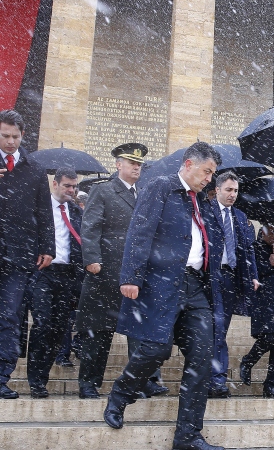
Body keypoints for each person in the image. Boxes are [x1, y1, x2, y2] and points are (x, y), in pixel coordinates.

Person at [104, 142, 225, 450]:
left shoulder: (203, 200)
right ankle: (121, 394)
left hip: (195, 286)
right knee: (156, 349)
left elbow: (211, 241)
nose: (209, 179)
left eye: (212, 174)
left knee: (201, 357)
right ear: (189, 164)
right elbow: (140, 231)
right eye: (206, 171)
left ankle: (188, 436)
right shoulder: (161, 186)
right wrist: (131, 276)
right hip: (161, 282)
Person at [76, 143, 166, 399]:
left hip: (136, 275)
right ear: (118, 165)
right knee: (98, 332)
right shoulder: (103, 190)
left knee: (139, 331)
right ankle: (89, 383)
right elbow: (90, 226)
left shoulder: (144, 194)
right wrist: (92, 259)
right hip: (106, 272)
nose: (137, 168)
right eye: (132, 163)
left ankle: (142, 382)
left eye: (139, 164)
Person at [0, 109, 54, 399]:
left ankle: (1, 375)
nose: (11, 142)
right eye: (5, 136)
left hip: (19, 256)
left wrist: (48, 247)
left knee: (10, 315)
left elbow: (44, 211)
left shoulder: (34, 169)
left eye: (15, 136)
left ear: (22, 135)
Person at [26, 167, 84, 398]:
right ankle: (35, 380)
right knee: (42, 324)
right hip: (43, 272)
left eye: (74, 186)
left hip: (67, 274)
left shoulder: (76, 212)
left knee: (59, 329)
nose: (71, 190)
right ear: (55, 184)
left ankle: (43, 376)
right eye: (67, 185)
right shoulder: (40, 207)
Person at [207, 171, 259, 398]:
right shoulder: (205, 211)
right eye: (228, 190)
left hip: (231, 278)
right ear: (217, 190)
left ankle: (215, 377)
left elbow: (248, 249)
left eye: (236, 190)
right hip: (209, 276)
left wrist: (253, 275)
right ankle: (216, 378)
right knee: (216, 328)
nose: (232, 194)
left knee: (221, 327)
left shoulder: (239, 216)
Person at [239, 223, 274, 398]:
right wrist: (269, 263)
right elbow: (253, 272)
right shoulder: (255, 248)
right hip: (265, 301)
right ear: (263, 232)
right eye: (270, 231)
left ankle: (270, 385)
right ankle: (248, 361)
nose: (273, 235)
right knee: (269, 337)